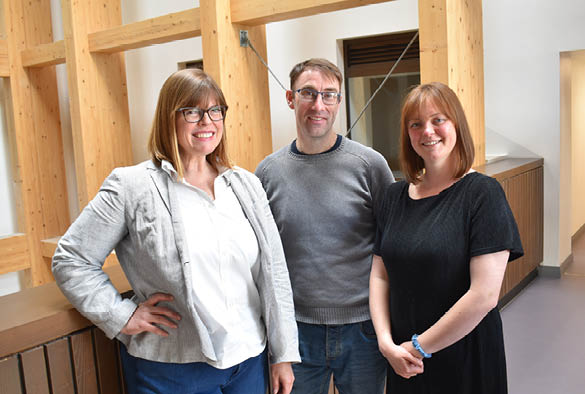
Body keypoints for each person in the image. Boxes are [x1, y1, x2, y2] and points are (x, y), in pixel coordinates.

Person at [52, 68, 300, 394]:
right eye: (192, 112)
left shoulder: (245, 185)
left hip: (249, 360)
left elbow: (274, 275)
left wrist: (282, 354)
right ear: (170, 117)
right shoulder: (132, 186)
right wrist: (120, 315)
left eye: (215, 111)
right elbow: (71, 259)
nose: (206, 122)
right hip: (172, 369)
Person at [369, 81, 524, 393]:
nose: (427, 131)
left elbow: (483, 296)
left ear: (457, 126)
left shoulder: (482, 194)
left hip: (462, 357)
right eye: (416, 124)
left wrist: (417, 348)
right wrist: (386, 344)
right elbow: (380, 275)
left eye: (438, 120)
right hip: (403, 358)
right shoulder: (393, 196)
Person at [255, 58, 394, 394]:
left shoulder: (369, 165)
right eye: (308, 93)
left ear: (338, 102)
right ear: (290, 98)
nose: (319, 105)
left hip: (363, 328)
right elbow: (263, 258)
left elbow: (392, 241)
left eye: (329, 95)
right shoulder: (267, 173)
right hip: (296, 332)